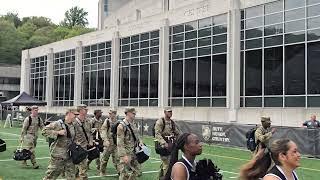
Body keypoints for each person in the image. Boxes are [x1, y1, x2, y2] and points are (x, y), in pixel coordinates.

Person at [42, 108, 79, 180]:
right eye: (75, 114)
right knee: (51, 176)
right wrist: (57, 132)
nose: (76, 116)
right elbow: (44, 131)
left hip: (70, 155)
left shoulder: (73, 125)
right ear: (69, 113)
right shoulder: (58, 124)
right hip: (58, 155)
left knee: (71, 175)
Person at [117, 107, 144, 180]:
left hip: (134, 151)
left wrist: (140, 142)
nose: (135, 114)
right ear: (128, 113)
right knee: (124, 174)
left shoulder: (133, 124)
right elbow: (120, 143)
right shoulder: (121, 126)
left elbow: (137, 135)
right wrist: (124, 155)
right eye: (133, 113)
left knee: (137, 170)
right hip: (126, 152)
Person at [155, 107, 181, 179]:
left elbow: (177, 133)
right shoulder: (160, 122)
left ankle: (160, 177)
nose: (170, 113)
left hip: (172, 145)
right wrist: (163, 143)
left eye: (171, 112)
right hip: (163, 146)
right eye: (168, 111)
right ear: (165, 112)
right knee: (167, 164)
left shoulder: (172, 122)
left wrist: (179, 140)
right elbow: (157, 134)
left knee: (170, 163)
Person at [74, 104, 93, 180]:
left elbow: (90, 132)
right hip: (78, 146)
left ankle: (76, 176)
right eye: (85, 109)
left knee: (79, 164)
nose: (87, 110)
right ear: (80, 111)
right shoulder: (75, 122)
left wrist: (91, 141)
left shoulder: (88, 121)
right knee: (82, 165)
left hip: (86, 146)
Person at [100, 109, 120, 176]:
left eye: (111, 113)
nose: (110, 115)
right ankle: (102, 171)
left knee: (117, 159)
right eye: (109, 113)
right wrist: (105, 140)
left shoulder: (119, 122)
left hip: (116, 143)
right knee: (105, 158)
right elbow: (103, 131)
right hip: (108, 143)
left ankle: (120, 172)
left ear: (115, 114)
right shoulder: (107, 121)